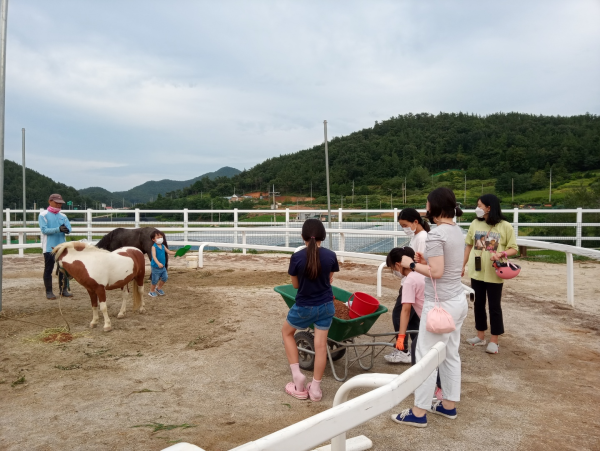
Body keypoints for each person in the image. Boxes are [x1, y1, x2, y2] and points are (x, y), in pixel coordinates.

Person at [391, 187, 468, 427]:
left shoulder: (436, 235)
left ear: (433, 207)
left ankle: (419, 411)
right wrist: (425, 263)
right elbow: (444, 265)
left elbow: (436, 272)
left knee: (425, 356)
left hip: (439, 305)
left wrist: (412, 264)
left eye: (426, 204)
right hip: (457, 300)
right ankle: (448, 405)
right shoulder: (458, 231)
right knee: (450, 354)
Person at [282, 219, 339, 402]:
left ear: (302, 237)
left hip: (304, 307)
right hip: (326, 306)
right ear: (323, 236)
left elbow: (296, 285)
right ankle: (315, 389)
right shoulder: (331, 256)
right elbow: (329, 280)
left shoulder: (297, 257)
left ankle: (297, 377)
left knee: (287, 333)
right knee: (321, 347)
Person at [463, 194, 518, 354]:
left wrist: (501, 254)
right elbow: (468, 246)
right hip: (477, 271)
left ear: (489, 207)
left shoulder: (505, 226)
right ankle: (480, 336)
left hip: (495, 272)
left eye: (480, 205)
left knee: (494, 306)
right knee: (478, 304)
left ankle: (494, 340)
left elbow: (514, 247)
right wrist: (463, 265)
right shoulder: (475, 223)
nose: (477, 208)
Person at [385, 208, 430, 364]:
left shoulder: (422, 238)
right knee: (414, 320)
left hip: (413, 283)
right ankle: (416, 349)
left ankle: (402, 349)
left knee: (399, 315)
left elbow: (419, 263)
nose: (404, 228)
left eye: (405, 225)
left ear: (415, 222)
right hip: (415, 281)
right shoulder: (418, 236)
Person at [39, 194, 73, 299]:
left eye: (60, 203)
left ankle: (63, 290)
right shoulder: (43, 215)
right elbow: (44, 230)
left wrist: (67, 230)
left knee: (63, 268)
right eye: (56, 202)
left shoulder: (63, 216)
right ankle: (49, 292)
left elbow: (69, 228)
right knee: (48, 269)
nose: (59, 205)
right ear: (50, 201)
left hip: (62, 246)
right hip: (49, 247)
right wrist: (58, 229)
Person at [148, 231, 177, 297]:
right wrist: (158, 263)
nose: (160, 239)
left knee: (165, 277)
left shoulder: (163, 246)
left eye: (161, 237)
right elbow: (154, 256)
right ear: (153, 239)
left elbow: (169, 252)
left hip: (162, 266)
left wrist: (176, 253)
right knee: (155, 280)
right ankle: (151, 291)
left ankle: (159, 288)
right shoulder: (154, 247)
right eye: (158, 237)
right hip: (155, 267)